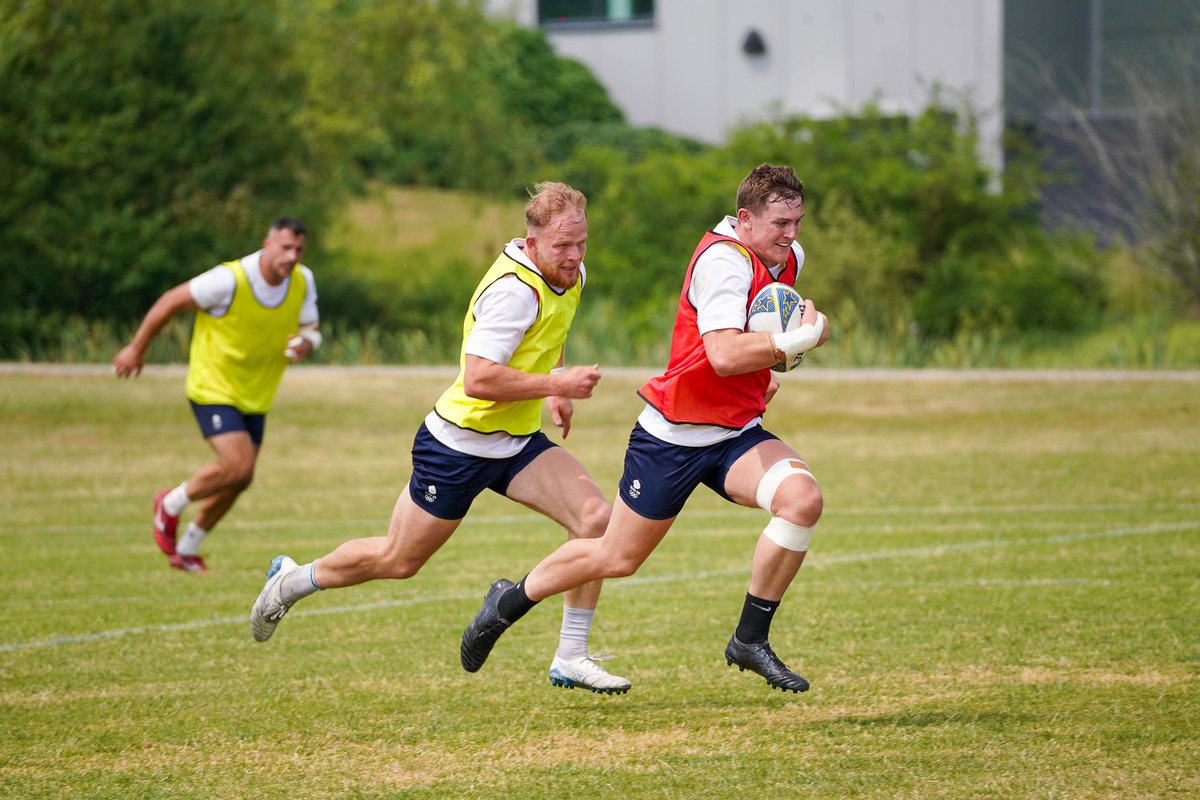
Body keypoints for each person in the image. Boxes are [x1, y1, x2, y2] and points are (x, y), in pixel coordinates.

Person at [459, 164, 830, 693]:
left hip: (735, 432)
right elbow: (724, 354)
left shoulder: (786, 257)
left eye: (797, 222)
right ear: (745, 220)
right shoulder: (723, 262)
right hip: (673, 436)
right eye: (779, 223)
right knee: (617, 557)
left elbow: (775, 326)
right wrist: (796, 344)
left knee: (802, 501)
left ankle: (750, 639)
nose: (791, 234)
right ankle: (509, 600)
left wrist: (804, 335)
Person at [248, 182, 630, 695]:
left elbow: (548, 334)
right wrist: (556, 385)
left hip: (515, 443)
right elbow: (479, 379)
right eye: (563, 246)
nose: (575, 255)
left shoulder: (570, 274)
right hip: (459, 445)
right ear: (531, 240)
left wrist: (553, 389)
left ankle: (571, 655)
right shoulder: (512, 292)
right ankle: (292, 580)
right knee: (398, 560)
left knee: (595, 520)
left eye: (582, 243)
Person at [114, 218, 321, 573]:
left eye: (298, 250)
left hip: (255, 394)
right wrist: (136, 348)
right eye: (285, 248)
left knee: (241, 477)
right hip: (213, 386)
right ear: (266, 243)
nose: (292, 256)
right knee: (237, 465)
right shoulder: (229, 279)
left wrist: (306, 343)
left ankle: (187, 548)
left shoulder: (303, 280)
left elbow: (311, 329)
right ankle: (170, 503)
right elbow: (169, 301)